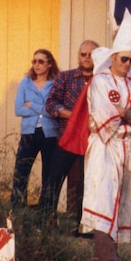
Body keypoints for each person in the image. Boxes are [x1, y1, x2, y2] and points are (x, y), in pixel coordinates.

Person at [80, 10, 131, 261]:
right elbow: (105, 117)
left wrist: (128, 116)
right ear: (112, 57)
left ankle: (113, 251)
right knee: (104, 193)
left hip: (126, 146)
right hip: (106, 146)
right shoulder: (100, 81)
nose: (128, 64)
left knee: (122, 195)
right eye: (123, 59)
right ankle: (103, 252)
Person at [41, 40, 98, 219]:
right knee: (54, 179)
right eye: (83, 54)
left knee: (86, 182)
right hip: (67, 135)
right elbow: (50, 103)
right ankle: (45, 221)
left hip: (93, 140)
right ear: (78, 57)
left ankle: (80, 222)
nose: (87, 58)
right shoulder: (65, 77)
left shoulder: (102, 80)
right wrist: (72, 115)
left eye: (91, 54)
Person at [11, 48, 60, 207]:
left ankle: (45, 209)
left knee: (49, 173)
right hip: (29, 132)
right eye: (34, 61)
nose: (36, 65)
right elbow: (19, 109)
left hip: (49, 134)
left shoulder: (56, 83)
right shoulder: (25, 82)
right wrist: (44, 109)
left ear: (49, 64)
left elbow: (54, 111)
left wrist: (32, 105)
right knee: (21, 170)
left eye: (41, 61)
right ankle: (18, 207)